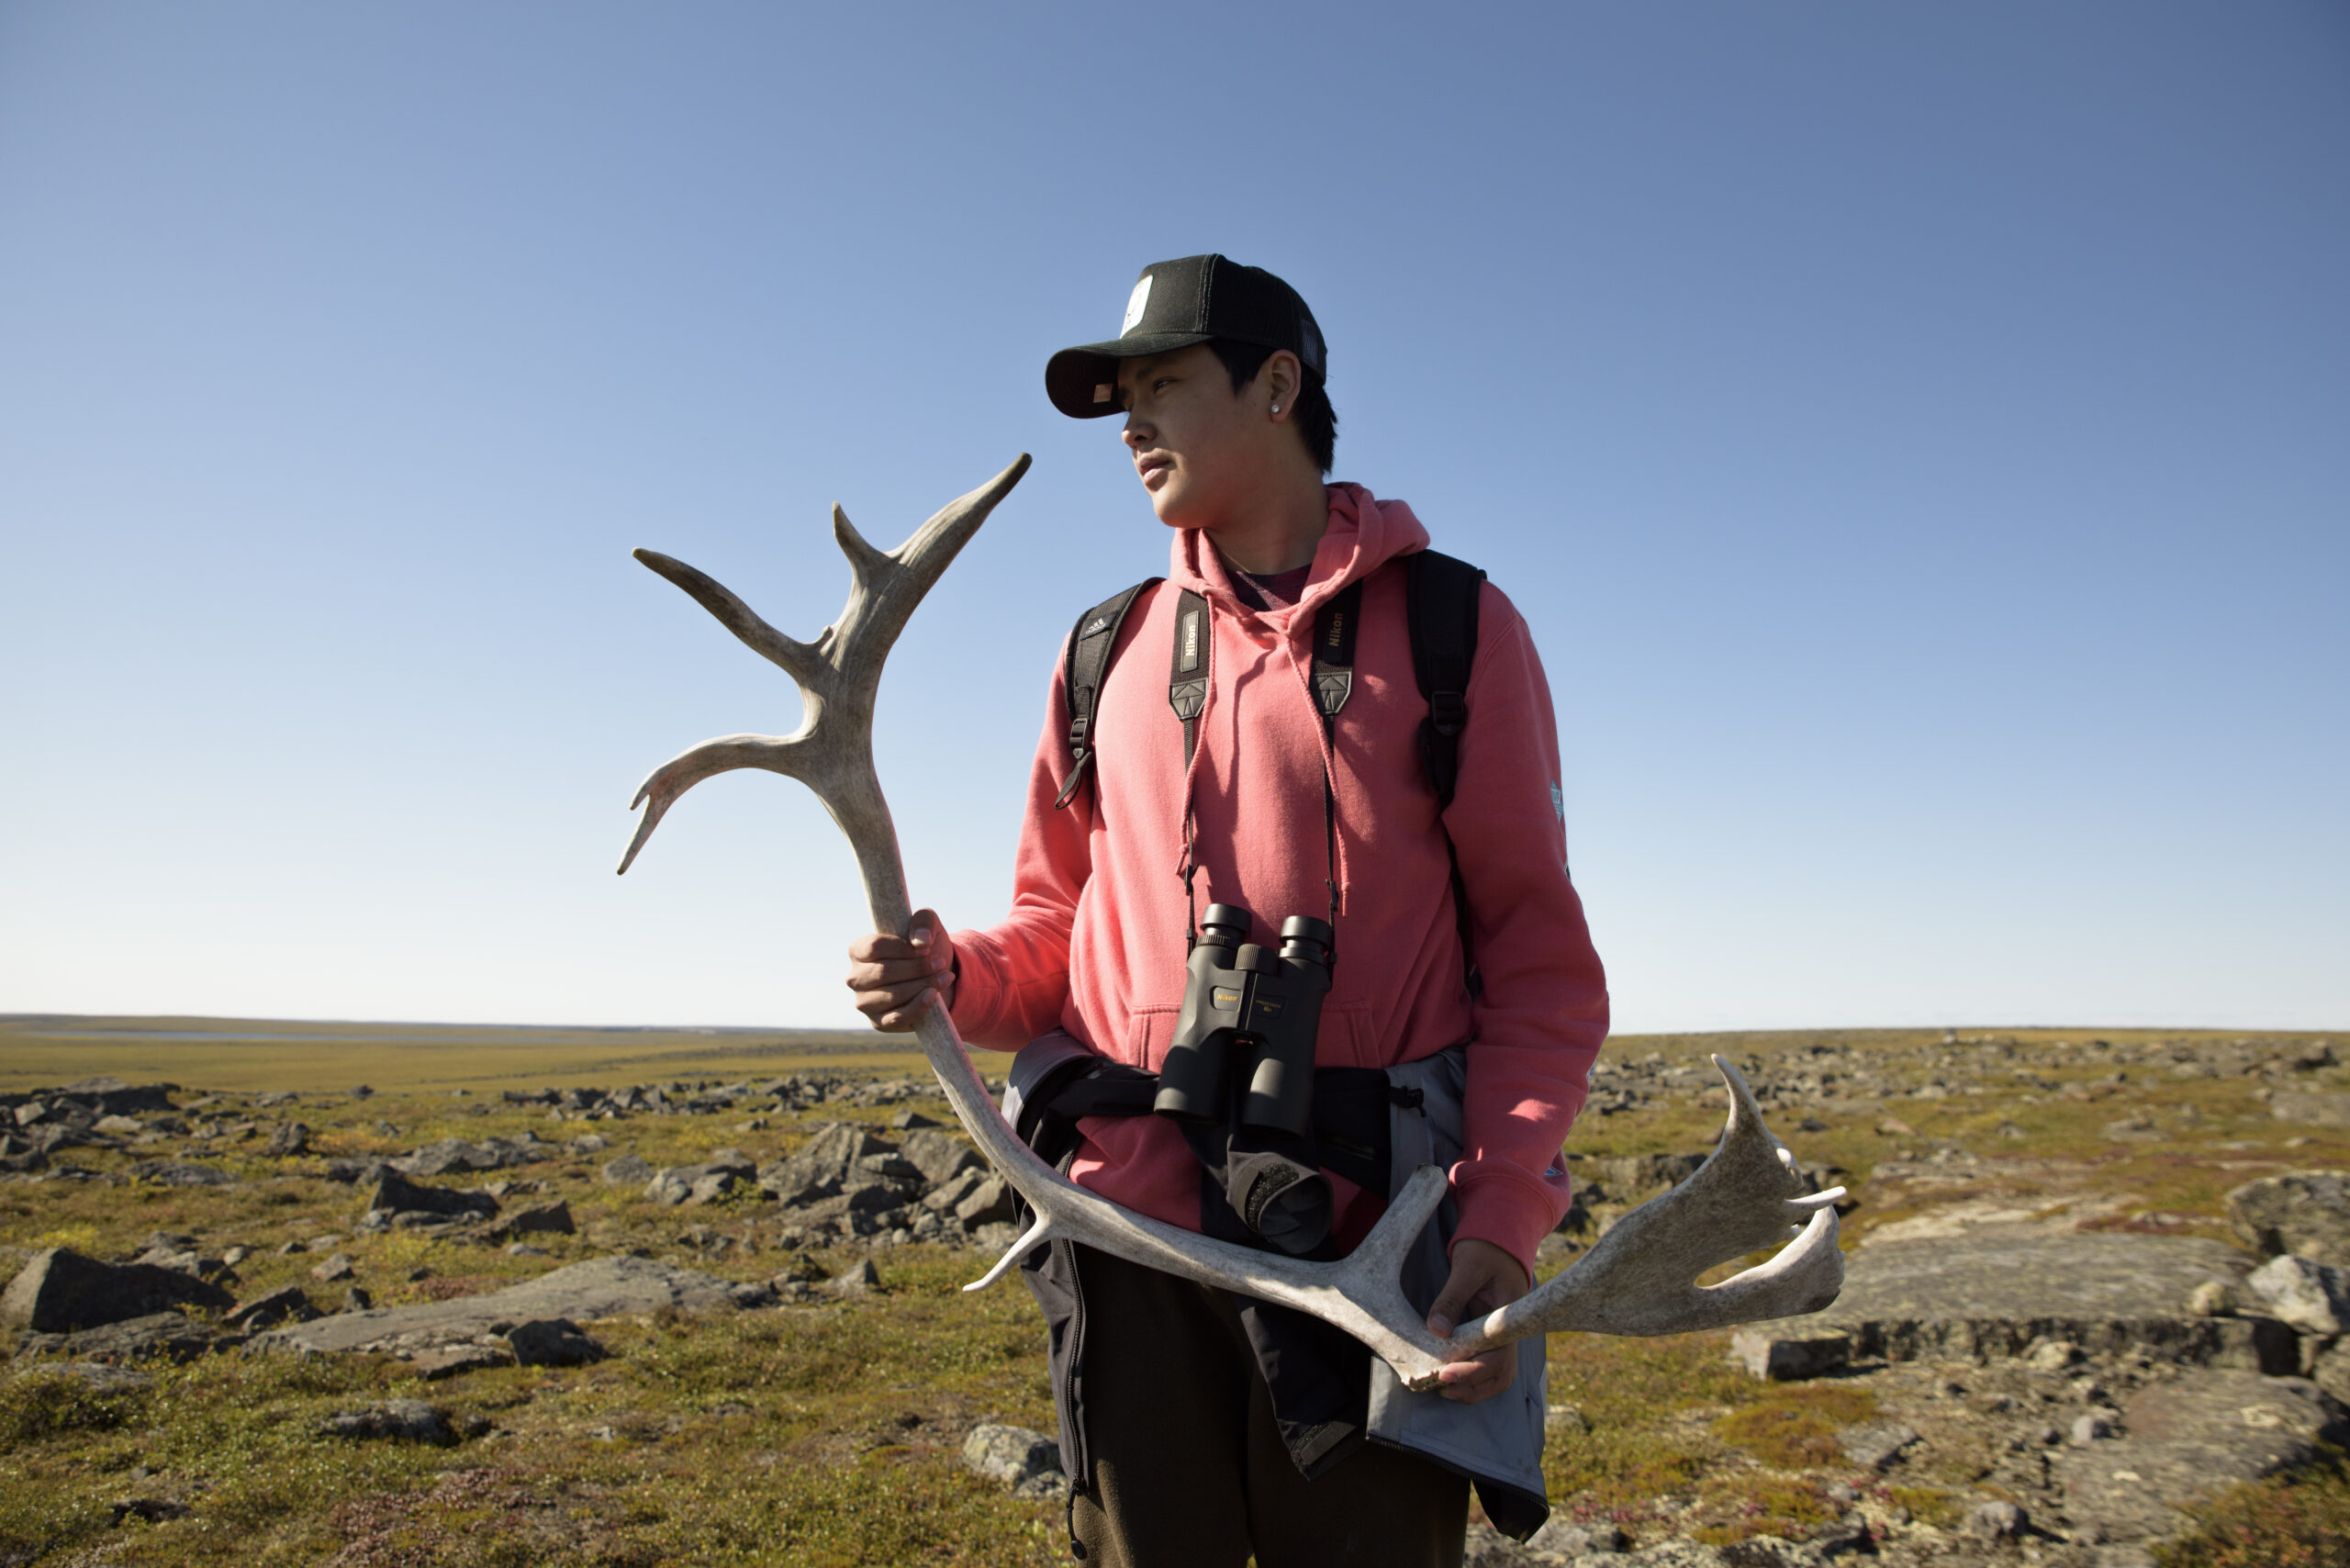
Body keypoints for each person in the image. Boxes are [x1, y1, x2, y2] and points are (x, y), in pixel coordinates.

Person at [845, 254, 1607, 1568]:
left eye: (1162, 385)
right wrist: (950, 976)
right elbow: (1056, 932)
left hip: (1370, 1242)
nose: (1131, 425)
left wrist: (1499, 1217)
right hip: (1127, 1231)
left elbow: (1537, 966)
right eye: (1119, 399)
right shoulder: (1107, 652)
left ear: (1275, 386)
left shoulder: (1454, 629)